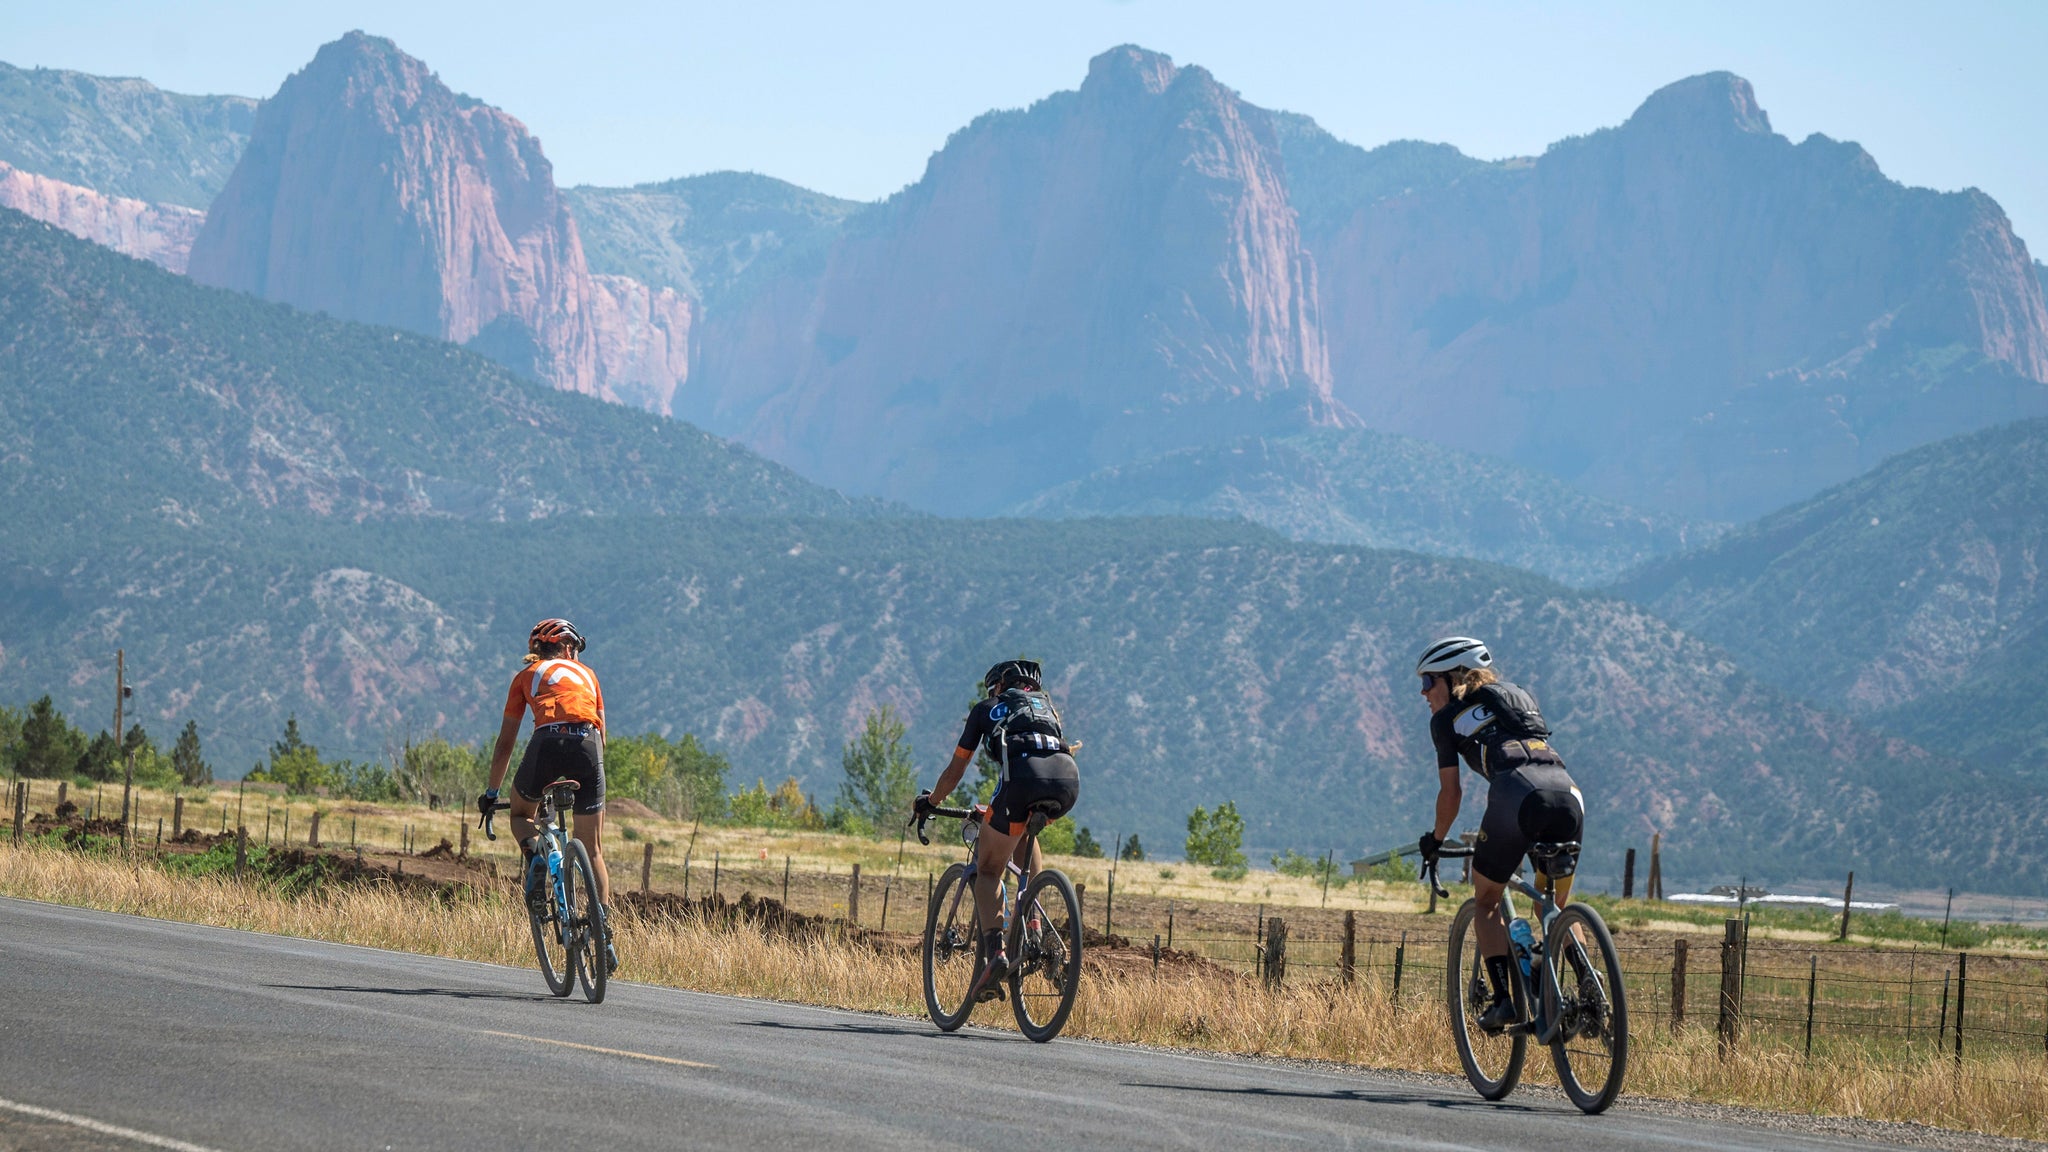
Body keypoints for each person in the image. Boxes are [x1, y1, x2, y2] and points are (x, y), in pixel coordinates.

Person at [1414, 636, 1583, 1033]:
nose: (1423, 694)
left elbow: (1451, 794)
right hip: (1567, 793)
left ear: (1452, 677)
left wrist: (1435, 840)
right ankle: (1590, 991)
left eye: (1427, 683)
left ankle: (1504, 1001)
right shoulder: (1517, 696)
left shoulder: (1445, 720)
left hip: (1516, 793)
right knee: (1551, 906)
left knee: (1487, 899)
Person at [914, 659, 1079, 1002]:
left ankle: (995, 957)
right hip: (1067, 782)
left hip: (1022, 782)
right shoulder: (1048, 710)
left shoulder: (988, 708)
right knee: (1022, 831)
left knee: (989, 870)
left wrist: (932, 800)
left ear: (1000, 686)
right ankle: (1033, 926)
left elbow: (956, 769)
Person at [479, 618, 616, 973]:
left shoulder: (527, 676)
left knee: (521, 814)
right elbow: (603, 737)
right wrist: (595, 783)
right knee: (594, 849)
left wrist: (492, 793)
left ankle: (537, 856)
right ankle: (603, 934)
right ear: (568, 648)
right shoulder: (589, 675)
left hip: (547, 743)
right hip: (587, 747)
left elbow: (505, 743)